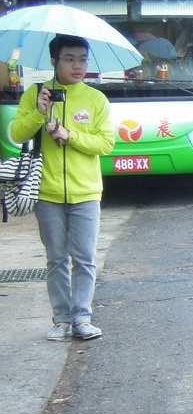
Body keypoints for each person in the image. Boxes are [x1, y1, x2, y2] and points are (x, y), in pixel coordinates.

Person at [11, 35, 114, 340]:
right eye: (69, 58)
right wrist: (39, 112)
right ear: (54, 61)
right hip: (46, 192)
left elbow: (106, 144)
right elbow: (17, 133)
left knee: (84, 258)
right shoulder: (34, 93)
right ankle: (61, 319)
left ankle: (82, 318)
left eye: (82, 58)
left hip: (86, 192)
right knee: (56, 258)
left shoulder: (96, 100)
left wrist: (70, 135)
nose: (77, 65)